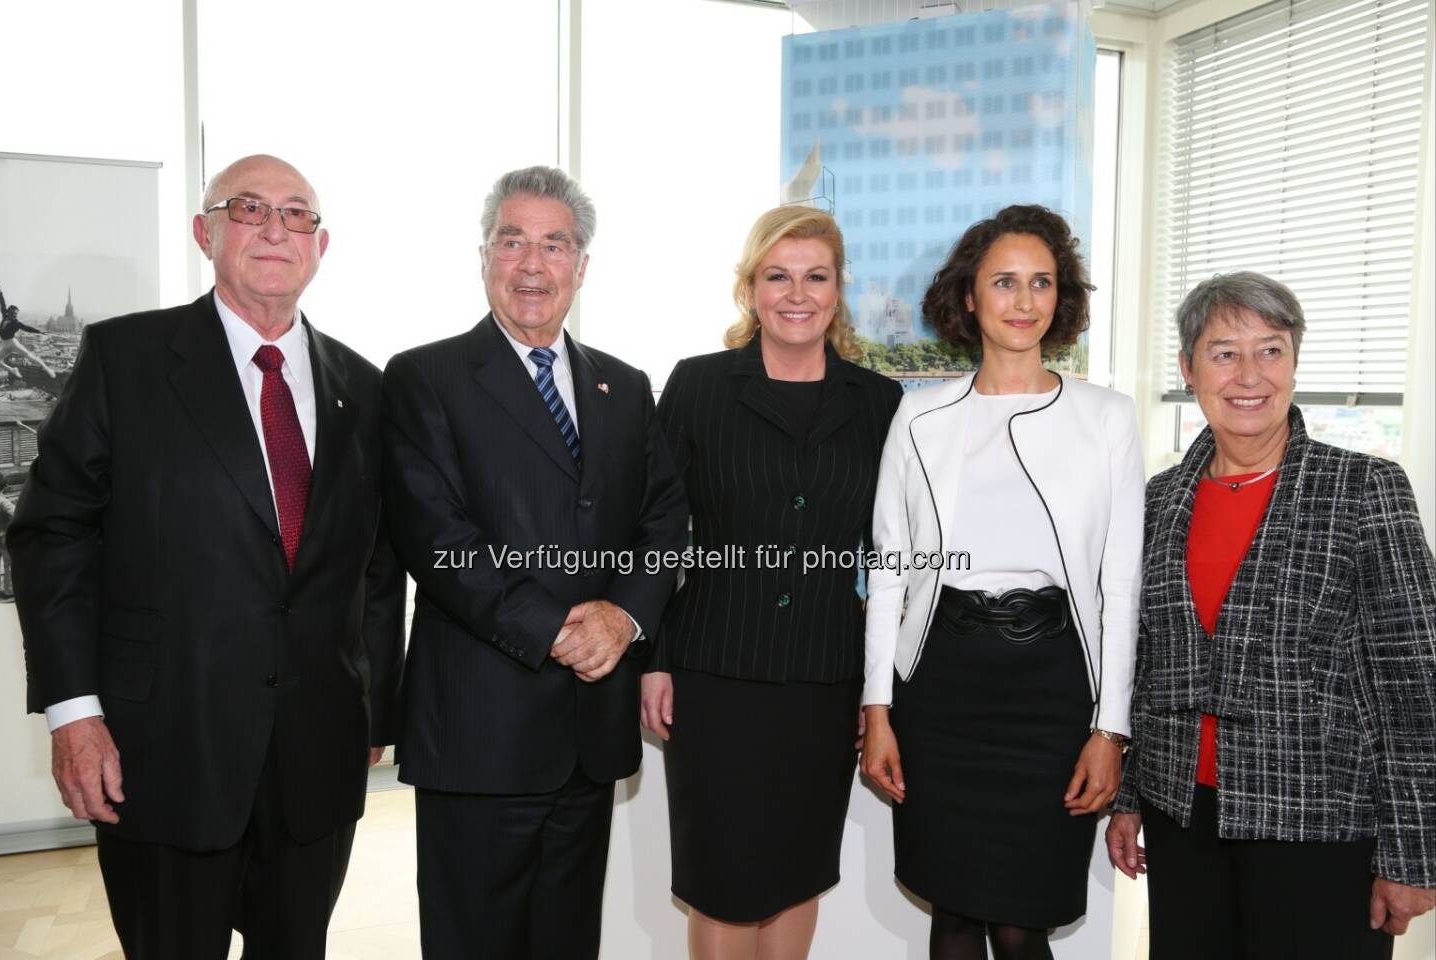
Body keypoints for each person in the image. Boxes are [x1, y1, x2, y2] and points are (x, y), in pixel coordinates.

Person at [8, 154, 406, 959]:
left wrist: (373, 710)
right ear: (205, 232)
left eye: (298, 214)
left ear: (319, 248)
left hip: (315, 763)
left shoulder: (364, 389)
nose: (275, 228)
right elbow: (53, 537)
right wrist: (74, 714)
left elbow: (376, 563)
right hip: (163, 753)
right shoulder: (127, 360)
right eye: (249, 207)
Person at [381, 164, 688, 960]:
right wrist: (558, 630)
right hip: (479, 732)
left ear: (581, 266)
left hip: (590, 733)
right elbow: (437, 542)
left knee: (566, 941)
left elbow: (664, 518)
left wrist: (623, 617)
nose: (532, 263)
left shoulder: (625, 385)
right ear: (483, 256)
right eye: (511, 240)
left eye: (554, 244)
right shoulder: (425, 378)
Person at [1105, 271, 1436, 960]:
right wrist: (1130, 796)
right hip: (1183, 820)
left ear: (1293, 362)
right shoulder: (1158, 500)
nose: (1249, 374)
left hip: (1322, 828)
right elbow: (1149, 663)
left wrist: (1412, 854)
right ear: (1189, 368)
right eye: (1225, 352)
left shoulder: (1365, 488)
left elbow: (1415, 684)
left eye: (1271, 349)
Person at [860, 205, 1145, 960]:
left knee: (1022, 927)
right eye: (1005, 282)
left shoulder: (1106, 417)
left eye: (1042, 282)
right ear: (969, 299)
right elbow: (890, 571)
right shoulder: (918, 416)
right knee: (952, 915)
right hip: (940, 691)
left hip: (1053, 696)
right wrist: (878, 711)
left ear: (1063, 299)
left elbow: (1122, 586)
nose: (1024, 301)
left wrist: (1110, 729)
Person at [641, 206, 902, 959]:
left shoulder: (878, 404)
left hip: (825, 677)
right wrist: (653, 657)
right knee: (723, 875)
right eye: (777, 276)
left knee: (796, 870)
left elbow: (890, 556)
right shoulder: (697, 387)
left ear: (838, 289)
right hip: (714, 671)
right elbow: (656, 533)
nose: (797, 293)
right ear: (750, 289)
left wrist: (876, 690)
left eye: (816, 276)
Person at [0, 281, 58, 378]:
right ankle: (12, 370)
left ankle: (47, 368)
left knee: (30, 356)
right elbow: (2, 304)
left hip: (12, 343)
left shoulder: (16, 323)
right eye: (13, 313)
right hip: (4, 344)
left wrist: (39, 332)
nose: (15, 315)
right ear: (8, 312)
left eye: (16, 314)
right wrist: (0, 291)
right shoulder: (5, 316)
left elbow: (26, 328)